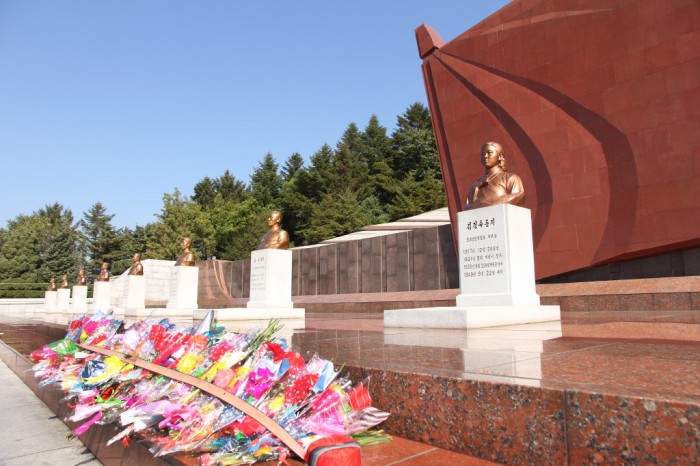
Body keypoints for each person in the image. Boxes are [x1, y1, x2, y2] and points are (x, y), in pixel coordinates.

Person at [463, 142, 526, 210]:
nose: (485, 156)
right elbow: (467, 207)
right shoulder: (475, 186)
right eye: (482, 154)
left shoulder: (511, 178)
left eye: (489, 152)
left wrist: (487, 204)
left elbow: (519, 197)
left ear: (500, 156)